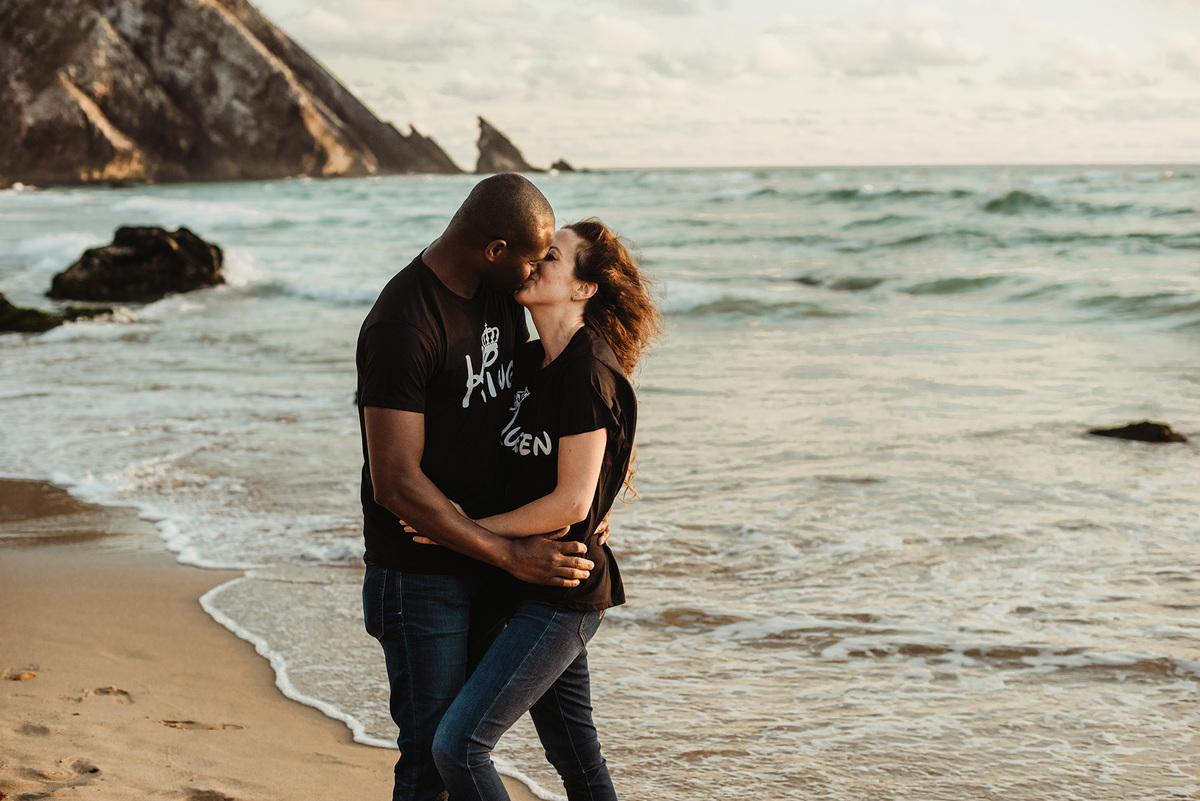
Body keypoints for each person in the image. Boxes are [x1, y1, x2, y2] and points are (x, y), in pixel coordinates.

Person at [356, 174, 598, 801]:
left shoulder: (498, 297)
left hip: (487, 561)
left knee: (542, 739)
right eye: (530, 255)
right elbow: (396, 482)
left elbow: (547, 403)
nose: (536, 268)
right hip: (420, 576)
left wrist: (589, 496)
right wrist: (510, 553)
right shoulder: (402, 323)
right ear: (494, 248)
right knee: (431, 759)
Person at [423, 219, 663, 800]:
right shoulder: (531, 365)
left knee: (459, 746)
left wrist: (456, 529)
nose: (533, 263)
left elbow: (571, 501)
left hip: (563, 590)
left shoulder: (585, 371)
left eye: (550, 256)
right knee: (577, 760)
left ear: (584, 288)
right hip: (522, 580)